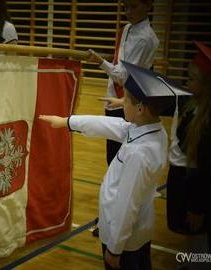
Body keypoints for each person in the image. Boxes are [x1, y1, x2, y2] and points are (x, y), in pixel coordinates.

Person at [40, 61, 191, 270]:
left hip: (123, 239)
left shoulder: (140, 153)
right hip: (136, 231)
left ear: (140, 108)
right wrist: (67, 122)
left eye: (125, 101)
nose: (121, 104)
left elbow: (126, 205)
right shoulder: (152, 130)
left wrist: (114, 249)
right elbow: (113, 125)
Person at [86, 0, 159, 237]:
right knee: (113, 162)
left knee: (123, 164)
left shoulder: (146, 38)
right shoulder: (127, 29)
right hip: (116, 100)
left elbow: (122, 76)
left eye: (134, 6)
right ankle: (111, 214)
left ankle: (120, 218)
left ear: (148, 6)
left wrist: (99, 61)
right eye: (125, 6)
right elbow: (118, 70)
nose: (128, 11)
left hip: (130, 104)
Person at [166, 41, 211, 269]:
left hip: (195, 185)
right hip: (183, 176)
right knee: (190, 233)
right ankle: (193, 262)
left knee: (200, 234)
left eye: (192, 79)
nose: (186, 82)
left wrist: (198, 207)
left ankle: (198, 265)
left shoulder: (206, 123)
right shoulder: (191, 102)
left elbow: (204, 171)